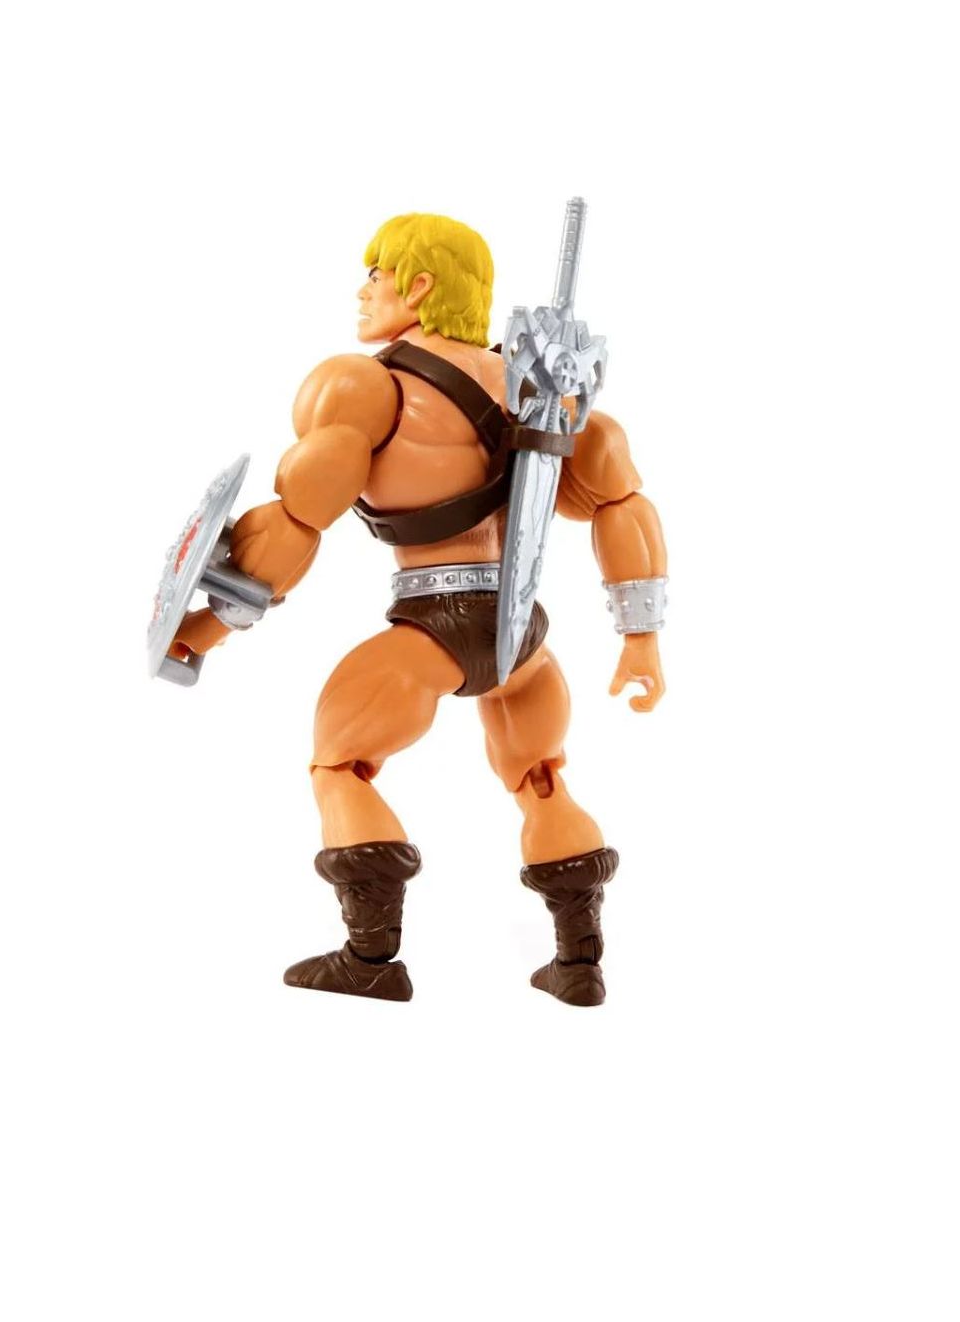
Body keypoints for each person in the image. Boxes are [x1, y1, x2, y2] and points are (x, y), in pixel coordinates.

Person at [171, 212, 667, 1006]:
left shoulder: (366, 388)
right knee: (539, 776)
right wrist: (640, 639)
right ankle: (578, 964)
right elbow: (621, 501)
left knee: (339, 764)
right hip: (523, 639)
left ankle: (370, 960)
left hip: (435, 625)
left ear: (422, 285)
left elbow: (298, 519)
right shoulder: (540, 393)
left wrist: (204, 626)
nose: (363, 290)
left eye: (378, 274)